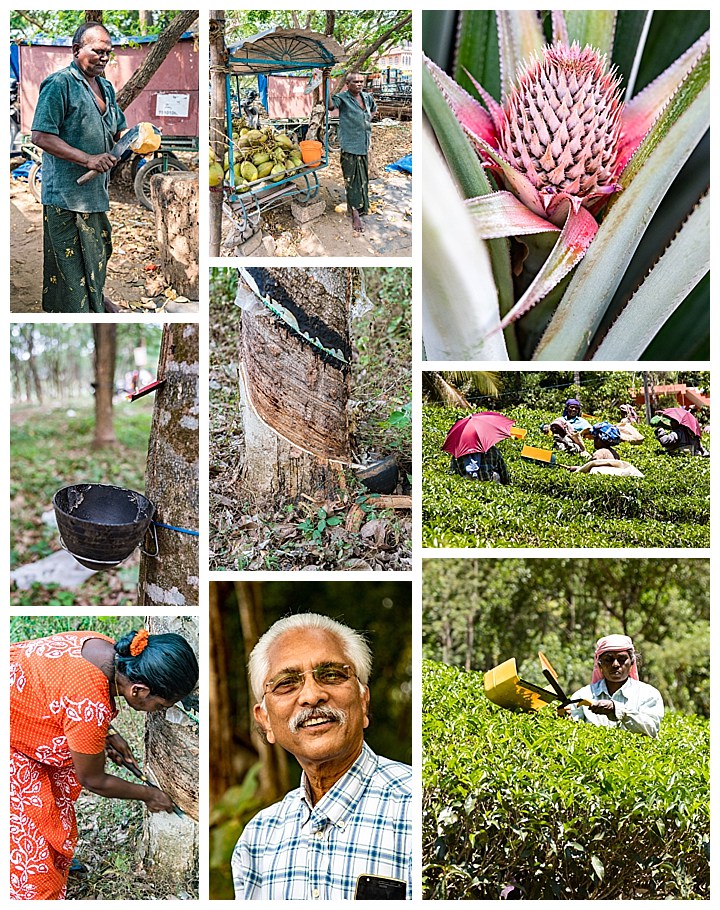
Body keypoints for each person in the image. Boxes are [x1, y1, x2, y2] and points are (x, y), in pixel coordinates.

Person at [231, 613, 412, 900]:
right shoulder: (258, 839)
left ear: (364, 700)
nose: (312, 695)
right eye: (287, 683)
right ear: (265, 720)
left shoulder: (415, 805)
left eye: (331, 675)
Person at [10, 627, 199, 900]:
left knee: (50, 801)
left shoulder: (107, 650)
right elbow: (93, 780)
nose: (158, 711)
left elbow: (63, 693)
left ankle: (51, 861)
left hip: (20, 702)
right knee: (28, 836)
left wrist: (106, 733)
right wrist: (150, 795)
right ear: (138, 691)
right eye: (159, 706)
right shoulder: (90, 707)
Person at [31, 22, 127, 313]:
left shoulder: (106, 87)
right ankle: (80, 312)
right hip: (66, 195)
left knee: (99, 252)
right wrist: (88, 159)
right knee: (69, 264)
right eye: (97, 51)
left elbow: (117, 128)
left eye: (108, 53)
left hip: (95, 193)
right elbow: (41, 136)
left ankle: (96, 301)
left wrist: (134, 139)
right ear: (76, 50)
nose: (104, 58)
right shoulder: (59, 84)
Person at [559, 634, 663, 738]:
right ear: (600, 665)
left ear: (632, 662)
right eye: (608, 659)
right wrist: (565, 719)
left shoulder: (648, 694)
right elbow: (571, 730)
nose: (615, 664)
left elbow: (652, 729)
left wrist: (617, 710)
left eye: (622, 659)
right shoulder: (583, 695)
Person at [329, 72, 376, 233]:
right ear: (347, 84)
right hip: (349, 145)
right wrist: (324, 85)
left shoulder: (367, 98)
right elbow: (330, 106)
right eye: (355, 82)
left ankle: (363, 206)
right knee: (351, 178)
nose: (359, 84)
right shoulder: (342, 98)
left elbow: (373, 111)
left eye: (361, 82)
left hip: (363, 144)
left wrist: (364, 124)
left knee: (363, 177)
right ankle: (354, 211)